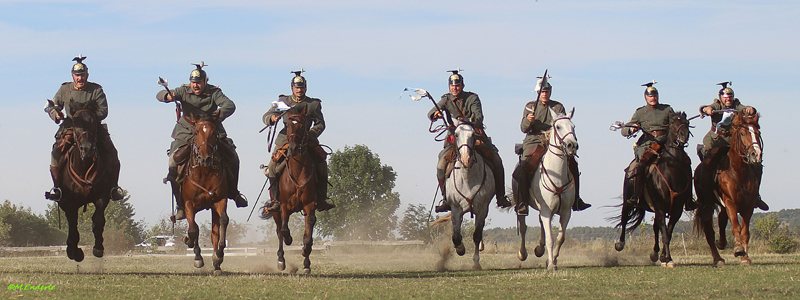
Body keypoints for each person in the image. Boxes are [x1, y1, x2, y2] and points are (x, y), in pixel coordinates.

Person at [156, 62, 247, 220]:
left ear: (205, 82)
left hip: (210, 131)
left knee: (232, 156)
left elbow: (229, 105)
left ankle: (234, 192)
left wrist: (217, 116)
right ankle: (180, 205)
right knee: (172, 161)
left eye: (198, 83)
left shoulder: (214, 92)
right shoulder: (183, 90)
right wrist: (167, 96)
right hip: (186, 132)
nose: (195, 86)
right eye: (193, 82)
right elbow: (159, 95)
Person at [429, 69, 512, 212]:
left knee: (497, 160)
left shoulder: (473, 98)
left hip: (475, 135)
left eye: (458, 85)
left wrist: (463, 121)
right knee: (441, 163)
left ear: (462, 85)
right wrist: (435, 114)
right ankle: (446, 198)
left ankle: (500, 196)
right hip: (454, 139)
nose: (455, 88)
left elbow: (478, 117)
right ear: (449, 86)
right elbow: (431, 112)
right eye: (452, 85)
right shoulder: (446, 99)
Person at [44, 55, 124, 201]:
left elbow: (103, 111)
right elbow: (51, 106)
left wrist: (88, 117)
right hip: (70, 126)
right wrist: (56, 115)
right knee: (56, 151)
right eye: (77, 76)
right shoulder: (64, 89)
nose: (79, 79)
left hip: (93, 127)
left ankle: (114, 187)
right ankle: (57, 188)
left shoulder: (96, 90)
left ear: (87, 75)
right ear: (72, 76)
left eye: (82, 75)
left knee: (112, 151)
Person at [512, 77, 591, 216]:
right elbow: (523, 128)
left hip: (554, 141)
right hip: (534, 140)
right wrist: (528, 121)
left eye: (547, 91)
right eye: (542, 92)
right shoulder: (530, 106)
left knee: (573, 164)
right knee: (524, 167)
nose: (545, 94)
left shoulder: (558, 107)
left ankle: (576, 199)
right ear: (538, 92)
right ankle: (523, 202)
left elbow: (563, 125)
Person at [262, 69, 335, 212]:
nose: (299, 90)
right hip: (285, 139)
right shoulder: (283, 102)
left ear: (305, 87)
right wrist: (271, 118)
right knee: (271, 166)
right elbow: (267, 115)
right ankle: (276, 201)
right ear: (292, 88)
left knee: (321, 162)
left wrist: (312, 133)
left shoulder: (313, 104)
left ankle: (321, 199)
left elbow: (320, 123)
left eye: (301, 87)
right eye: (297, 87)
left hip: (306, 139)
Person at [694, 81, 768, 211]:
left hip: (733, 142)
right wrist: (707, 110)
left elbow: (745, 108)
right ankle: (705, 201)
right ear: (721, 97)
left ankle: (756, 196)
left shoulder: (736, 105)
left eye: (730, 98)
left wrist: (750, 109)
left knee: (755, 165)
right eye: (726, 98)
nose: (728, 100)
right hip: (716, 141)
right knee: (706, 166)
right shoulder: (717, 105)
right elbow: (704, 108)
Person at [620, 81, 674, 204]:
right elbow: (624, 131)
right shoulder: (640, 112)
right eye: (650, 96)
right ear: (646, 97)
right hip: (648, 144)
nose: (653, 98)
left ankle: (688, 199)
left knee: (685, 160)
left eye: (654, 95)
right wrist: (631, 128)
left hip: (667, 143)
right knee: (640, 165)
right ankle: (636, 195)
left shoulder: (667, 109)